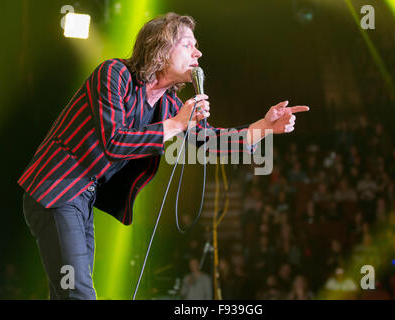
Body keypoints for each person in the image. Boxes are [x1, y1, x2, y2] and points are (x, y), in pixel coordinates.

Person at [18, 12, 309, 300]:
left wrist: (263, 127)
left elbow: (207, 142)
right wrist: (178, 124)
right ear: (160, 48)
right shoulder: (113, 74)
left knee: (67, 290)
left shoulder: (169, 104)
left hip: (82, 197)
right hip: (56, 187)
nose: (199, 51)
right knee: (77, 290)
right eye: (187, 44)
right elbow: (115, 141)